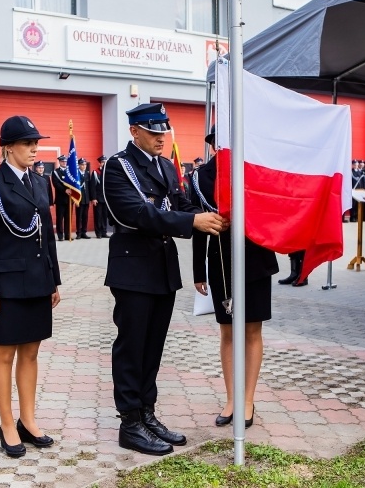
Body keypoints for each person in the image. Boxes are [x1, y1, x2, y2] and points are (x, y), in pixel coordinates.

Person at [102, 102, 225, 456]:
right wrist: (191, 223)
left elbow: (181, 205)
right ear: (135, 132)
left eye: (163, 132)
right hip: (133, 269)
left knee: (153, 347)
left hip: (162, 269)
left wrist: (210, 217)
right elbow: (137, 213)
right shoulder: (119, 167)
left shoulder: (167, 166)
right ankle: (129, 422)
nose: (160, 138)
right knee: (132, 347)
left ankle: (146, 413)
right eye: (153, 132)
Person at [0, 115, 61, 458]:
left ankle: (29, 420)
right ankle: (7, 424)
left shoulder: (40, 181)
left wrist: (54, 279)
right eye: (27, 143)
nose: (34, 148)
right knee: (4, 353)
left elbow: (47, 233)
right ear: (8, 147)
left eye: (36, 142)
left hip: (37, 280)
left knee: (32, 352)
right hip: (5, 285)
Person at [191, 132, 278, 429]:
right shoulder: (201, 176)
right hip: (220, 260)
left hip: (255, 257)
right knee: (227, 332)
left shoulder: (255, 167)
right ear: (214, 144)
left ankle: (248, 400)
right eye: (220, 142)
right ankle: (231, 400)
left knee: (252, 330)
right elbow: (197, 224)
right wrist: (198, 271)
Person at [51, 155, 71, 240]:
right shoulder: (56, 172)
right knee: (60, 218)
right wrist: (65, 190)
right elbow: (56, 184)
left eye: (65, 161)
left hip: (69, 199)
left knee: (68, 218)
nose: (64, 163)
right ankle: (60, 235)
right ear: (59, 162)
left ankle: (67, 235)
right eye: (63, 161)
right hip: (60, 199)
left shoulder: (70, 172)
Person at [92, 155, 109, 238]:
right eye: (102, 162)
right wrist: (94, 198)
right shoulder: (95, 172)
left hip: (106, 198)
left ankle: (104, 232)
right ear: (99, 163)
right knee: (98, 216)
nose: (104, 163)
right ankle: (98, 233)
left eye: (105, 162)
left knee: (105, 216)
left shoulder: (109, 172)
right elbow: (93, 187)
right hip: (98, 198)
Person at [75, 158, 92, 239]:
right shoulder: (76, 174)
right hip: (79, 199)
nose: (84, 166)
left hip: (86, 198)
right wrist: (75, 199)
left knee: (85, 217)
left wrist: (91, 198)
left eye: (85, 164)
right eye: (82, 164)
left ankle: (84, 232)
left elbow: (90, 187)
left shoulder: (87, 173)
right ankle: (78, 232)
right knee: (79, 216)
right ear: (79, 165)